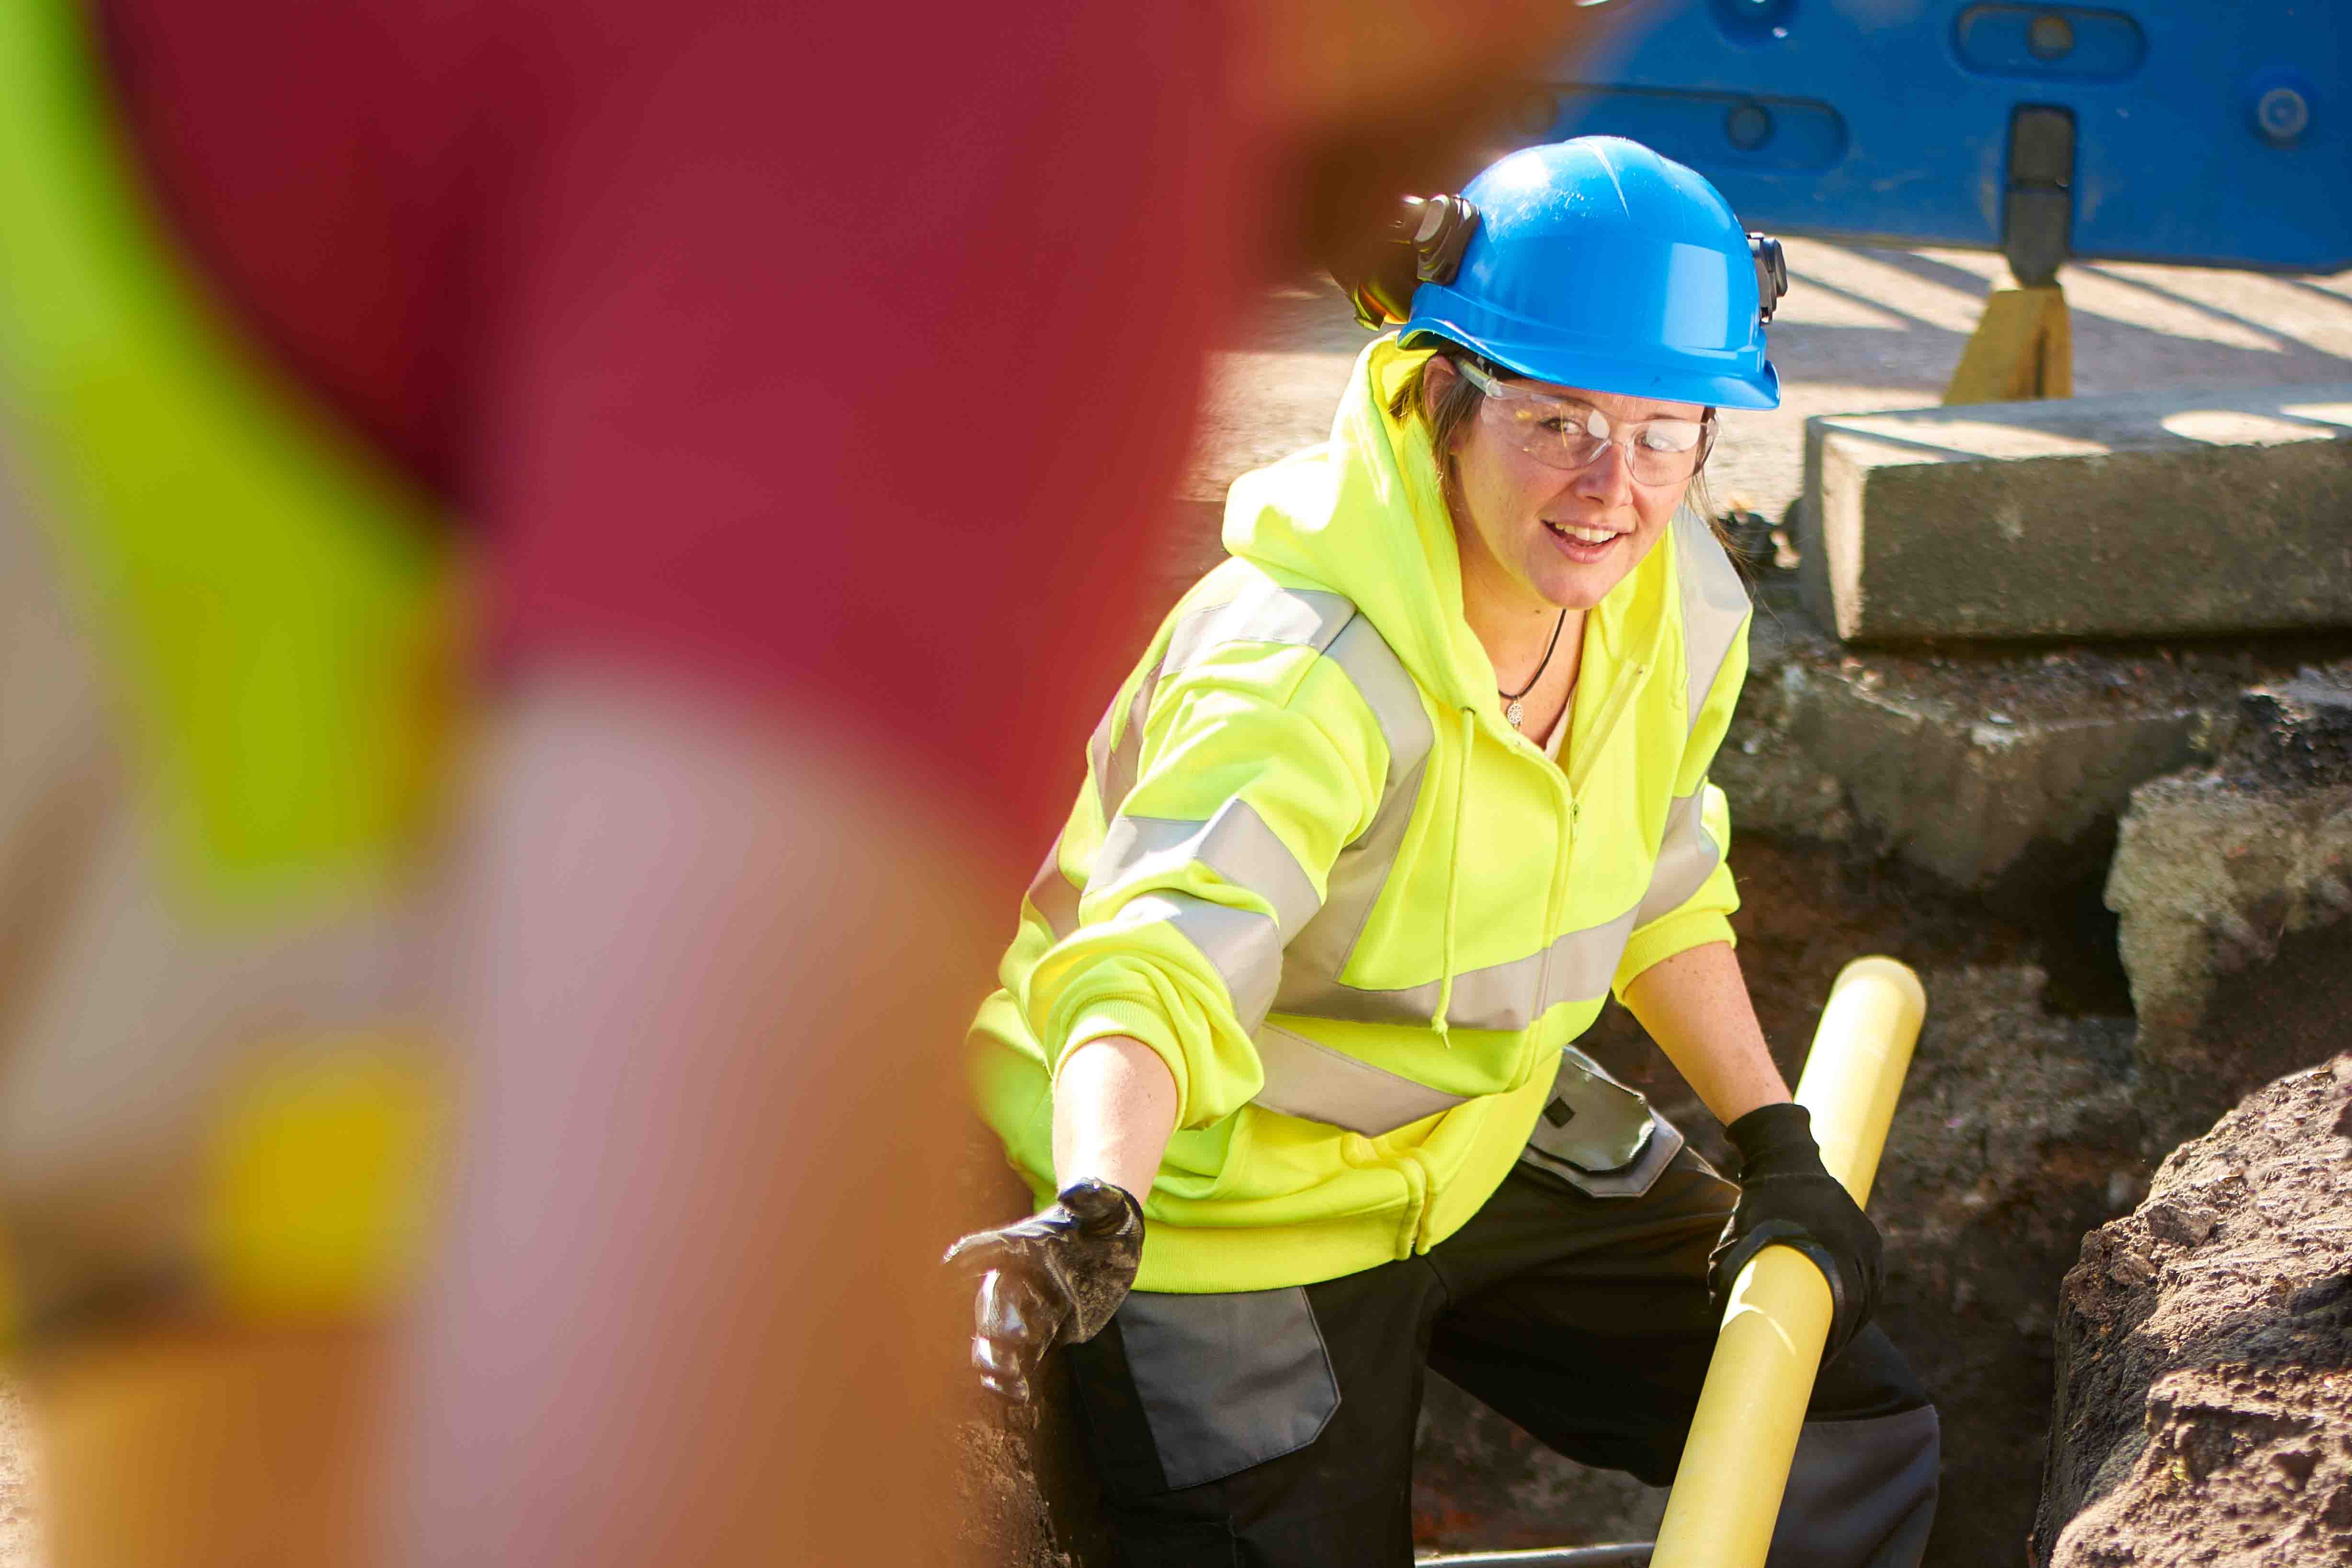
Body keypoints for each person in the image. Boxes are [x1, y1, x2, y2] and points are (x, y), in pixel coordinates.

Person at [948, 136, 1941, 1567]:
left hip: (1471, 1140)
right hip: (1223, 1209)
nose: (1615, 486)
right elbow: (1158, 956)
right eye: (1559, 422)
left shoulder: (1665, 599)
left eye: (1667, 432)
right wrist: (1097, 1201)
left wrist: (1777, 1142)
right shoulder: (1307, 669)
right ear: (1440, 403)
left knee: (1840, 1413)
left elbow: (1658, 864)